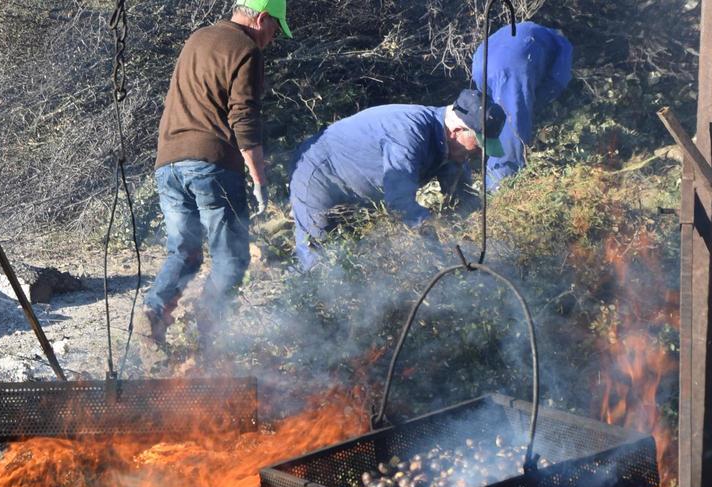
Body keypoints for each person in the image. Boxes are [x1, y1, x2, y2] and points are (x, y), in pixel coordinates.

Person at [143, 0, 292, 345]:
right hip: (211, 165)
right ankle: (206, 336)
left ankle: (153, 312)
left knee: (184, 253)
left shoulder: (198, 37)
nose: (273, 38)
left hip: (168, 164)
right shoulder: (246, 49)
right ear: (262, 18)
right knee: (232, 257)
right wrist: (259, 178)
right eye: (274, 29)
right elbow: (244, 117)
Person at [288, 89, 507, 270]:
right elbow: (400, 203)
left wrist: (482, 236)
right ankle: (300, 303)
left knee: (355, 260)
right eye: (478, 146)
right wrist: (439, 251)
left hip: (359, 187)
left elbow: (464, 198)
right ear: (458, 130)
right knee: (319, 259)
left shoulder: (451, 146)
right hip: (317, 175)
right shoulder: (410, 134)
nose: (480, 154)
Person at [472, 21, 572, 192]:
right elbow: (558, 80)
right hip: (513, 62)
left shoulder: (534, 32)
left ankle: (482, 171)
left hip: (480, 62)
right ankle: (501, 187)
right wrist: (535, 106)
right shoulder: (563, 44)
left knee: (495, 120)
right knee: (514, 125)